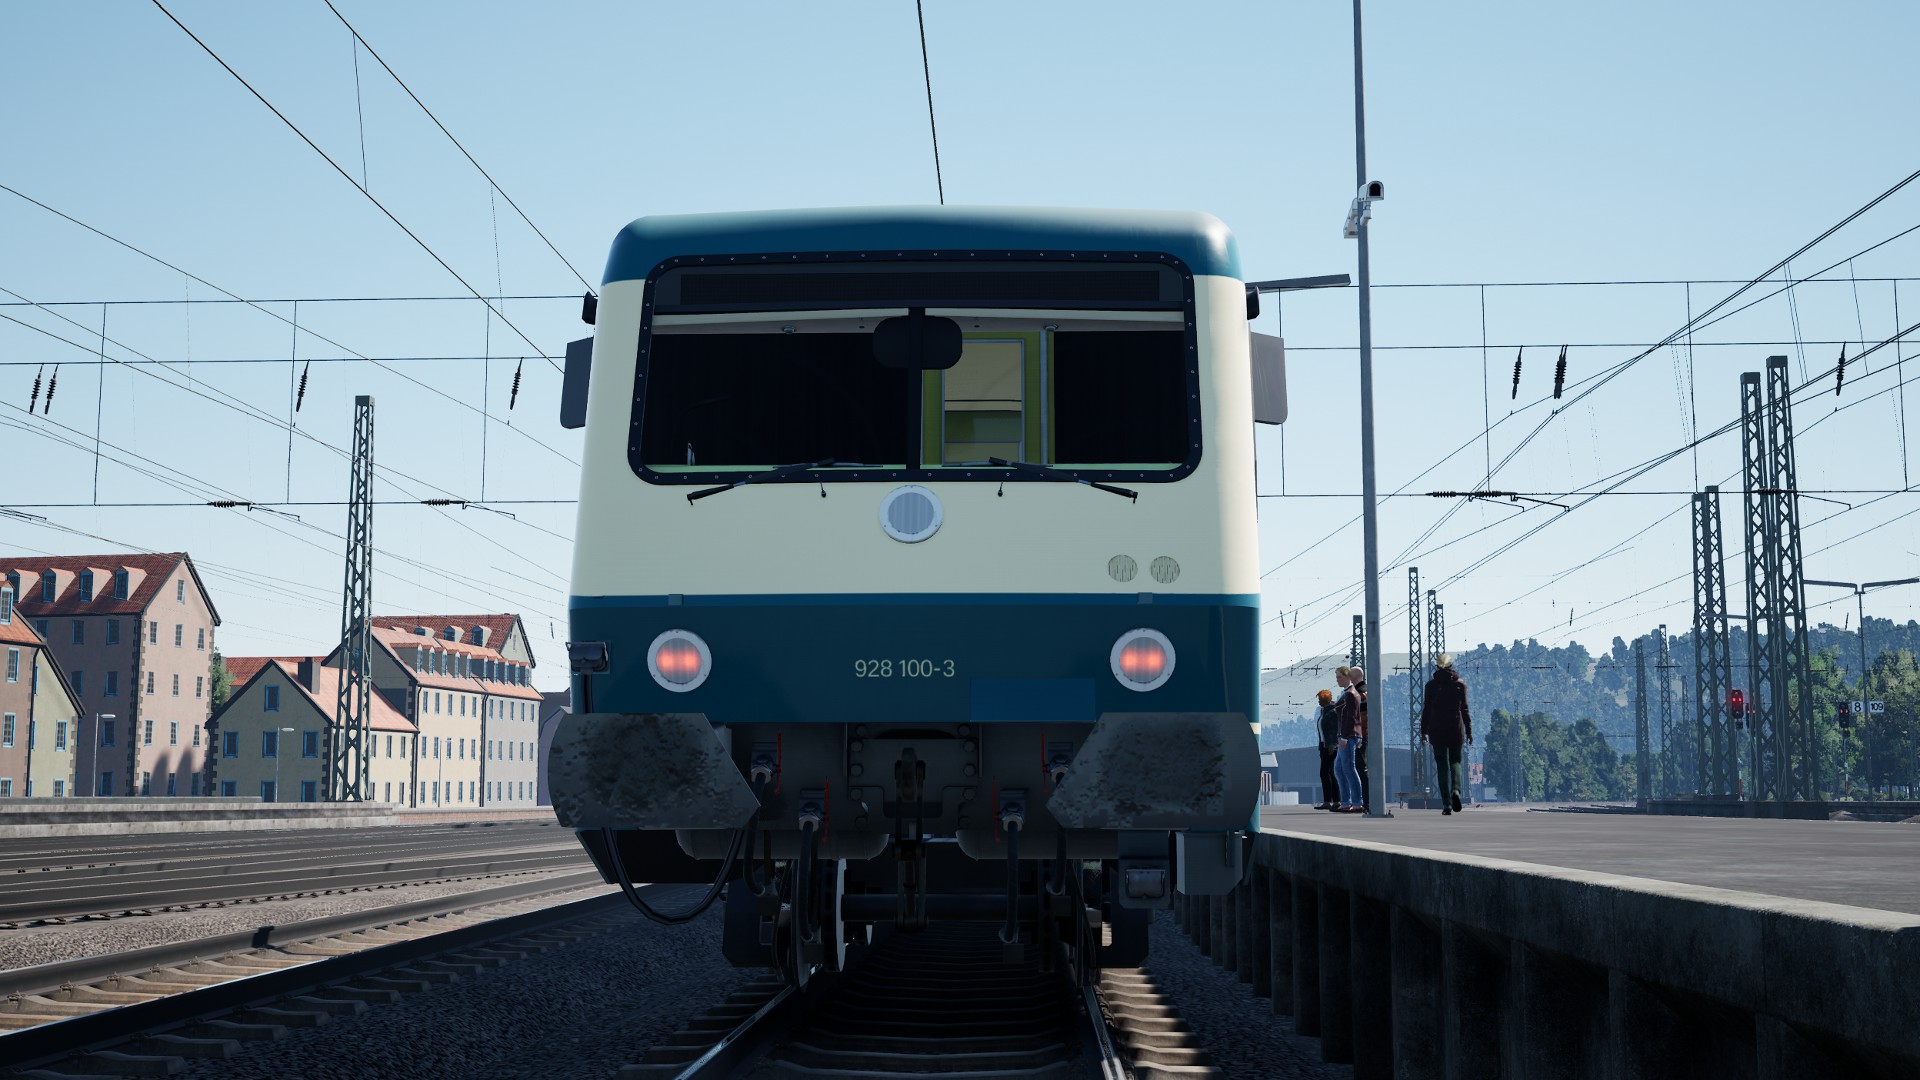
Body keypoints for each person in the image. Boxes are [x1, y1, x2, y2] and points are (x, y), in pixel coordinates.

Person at [1418, 652, 1473, 815]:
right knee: (1455, 762)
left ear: (1437, 666)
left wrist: (1423, 731)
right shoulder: (1460, 685)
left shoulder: (1431, 686)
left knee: (1441, 766)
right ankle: (1455, 789)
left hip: (1437, 730)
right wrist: (1469, 731)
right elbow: (1465, 709)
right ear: (1451, 666)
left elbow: (1427, 709)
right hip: (1456, 729)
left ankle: (1447, 805)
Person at [1332, 667, 1364, 813]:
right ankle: (1346, 801)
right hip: (1347, 736)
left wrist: (1344, 737)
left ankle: (1356, 802)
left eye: (1340, 677)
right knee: (1339, 768)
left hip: (1348, 736)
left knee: (1349, 769)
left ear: (1347, 677)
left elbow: (1351, 717)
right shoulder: (1348, 693)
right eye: (1337, 677)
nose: (1337, 680)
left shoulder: (1350, 694)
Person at [1349, 666, 1371, 810]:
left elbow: (1359, 716)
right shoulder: (1367, 690)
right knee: (1360, 768)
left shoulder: (1359, 693)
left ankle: (1365, 802)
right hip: (1364, 734)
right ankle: (1364, 801)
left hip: (1360, 735)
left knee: (1360, 768)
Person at [1315, 688, 1339, 809]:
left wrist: (1332, 745)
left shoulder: (1332, 712)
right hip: (1324, 746)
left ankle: (1329, 801)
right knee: (1329, 772)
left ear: (1326, 699)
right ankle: (1335, 801)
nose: (1319, 701)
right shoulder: (1324, 711)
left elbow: (1334, 730)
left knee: (1325, 773)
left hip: (1329, 747)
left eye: (1320, 699)